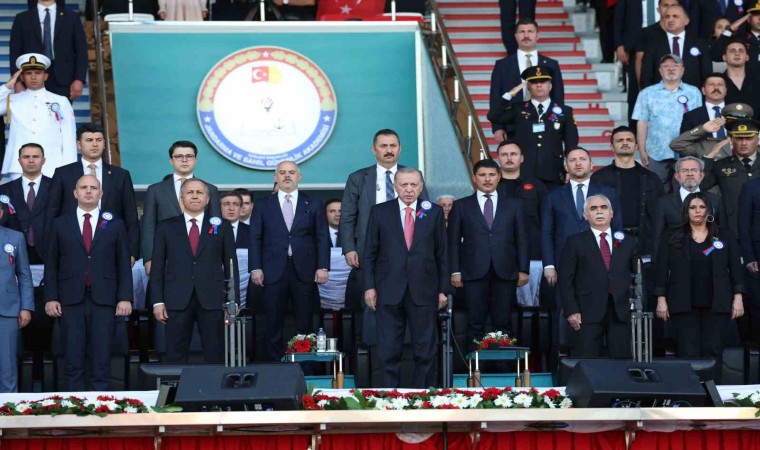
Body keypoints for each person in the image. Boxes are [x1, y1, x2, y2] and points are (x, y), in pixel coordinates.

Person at [363, 167, 449, 388]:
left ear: (421, 187)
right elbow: (370, 252)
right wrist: (369, 287)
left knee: (425, 349)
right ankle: (390, 396)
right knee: (388, 349)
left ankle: (423, 396)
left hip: (424, 290)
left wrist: (443, 289)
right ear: (395, 186)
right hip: (388, 289)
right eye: (404, 185)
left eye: (413, 185)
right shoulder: (380, 212)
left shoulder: (434, 212)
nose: (409, 189)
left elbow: (442, 253)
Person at [44, 174, 132, 390]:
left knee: (101, 357)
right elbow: (51, 263)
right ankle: (75, 403)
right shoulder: (59, 223)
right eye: (84, 187)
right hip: (70, 299)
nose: (89, 191)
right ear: (75, 193)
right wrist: (51, 297)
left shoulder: (115, 224)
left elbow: (123, 263)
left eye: (93, 188)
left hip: (104, 299)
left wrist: (125, 298)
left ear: (101, 194)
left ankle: (101, 403)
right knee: (72, 356)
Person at [339, 129, 428, 338]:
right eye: (383, 146)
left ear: (400, 149)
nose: (389, 150)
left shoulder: (413, 176)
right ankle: (373, 350)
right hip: (368, 251)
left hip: (407, 251)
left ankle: (404, 348)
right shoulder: (358, 178)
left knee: (406, 302)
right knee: (371, 304)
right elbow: (348, 216)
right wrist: (349, 248)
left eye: (393, 146)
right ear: (374, 150)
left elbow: (425, 212)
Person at [249, 161, 330, 362]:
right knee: (272, 322)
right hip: (272, 271)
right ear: (275, 177)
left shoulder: (313, 203)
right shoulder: (262, 204)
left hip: (304, 270)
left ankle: (304, 367)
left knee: (305, 322)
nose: (287, 176)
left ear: (299, 177)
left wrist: (322, 266)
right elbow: (255, 238)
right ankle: (274, 368)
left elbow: (321, 237)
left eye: (292, 172)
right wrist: (255, 267)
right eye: (282, 172)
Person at [151, 178, 238, 364]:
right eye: (190, 192)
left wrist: (232, 301)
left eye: (199, 192)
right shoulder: (166, 226)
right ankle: (175, 384)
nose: (195, 196)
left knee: (215, 352)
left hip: (212, 299)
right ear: (181, 198)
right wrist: (157, 301)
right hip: (176, 298)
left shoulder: (222, 226)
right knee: (175, 353)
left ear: (207, 199)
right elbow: (157, 267)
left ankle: (214, 384)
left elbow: (232, 266)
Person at [448, 160, 529, 351]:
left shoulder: (514, 205)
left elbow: (522, 239)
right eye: (482, 175)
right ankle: (475, 366)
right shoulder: (461, 205)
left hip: (505, 271)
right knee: (475, 322)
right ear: (474, 178)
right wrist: (455, 271)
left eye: (492, 175)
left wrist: (523, 269)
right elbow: (452, 242)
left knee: (503, 322)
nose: (487, 179)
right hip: (473, 272)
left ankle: (504, 366)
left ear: (499, 177)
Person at [654, 192, 744, 364]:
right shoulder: (672, 236)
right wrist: (661, 299)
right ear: (686, 211)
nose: (698, 211)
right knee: (687, 352)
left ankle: (713, 383)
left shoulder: (724, 235)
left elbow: (735, 268)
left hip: (717, 304)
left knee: (714, 351)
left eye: (702, 207)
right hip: (683, 304)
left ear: (709, 210)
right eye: (693, 207)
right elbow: (661, 270)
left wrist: (738, 298)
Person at [46, 123, 139, 263]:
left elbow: (131, 216)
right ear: (79, 144)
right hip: (71, 246)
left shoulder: (120, 175)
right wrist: (51, 250)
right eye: (89, 140)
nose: (95, 144)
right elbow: (52, 213)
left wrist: (131, 252)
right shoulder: (63, 173)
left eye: (99, 140)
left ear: (104, 144)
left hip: (111, 247)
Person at [559, 194, 638, 358]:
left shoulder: (628, 241)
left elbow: (638, 275)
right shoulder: (575, 242)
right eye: (593, 208)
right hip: (586, 312)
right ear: (585, 215)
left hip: (620, 311)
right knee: (586, 361)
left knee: (621, 361)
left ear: (612, 213)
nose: (599, 211)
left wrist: (637, 307)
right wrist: (571, 310)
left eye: (604, 207)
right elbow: (565, 280)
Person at [488, 66, 579, 190]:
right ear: (528, 87)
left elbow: (571, 143)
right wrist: (510, 94)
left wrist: (570, 168)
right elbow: (493, 115)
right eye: (534, 82)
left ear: (550, 86)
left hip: (552, 171)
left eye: (543, 81)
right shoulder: (518, 109)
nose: (539, 85)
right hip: (523, 171)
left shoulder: (565, 111)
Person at [140, 141, 221, 276]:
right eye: (179, 156)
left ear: (195, 160)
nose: (184, 160)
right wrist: (149, 259)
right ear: (171, 161)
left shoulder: (210, 189)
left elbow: (215, 225)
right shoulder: (155, 190)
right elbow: (149, 227)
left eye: (189, 156)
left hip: (202, 258)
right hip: (165, 258)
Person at [0, 54, 76, 181]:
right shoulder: (12, 100)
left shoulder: (60, 101)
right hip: (20, 165)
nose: (33, 77)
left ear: (45, 76)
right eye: (28, 73)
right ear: (22, 77)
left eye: (38, 73)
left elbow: (68, 137)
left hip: (52, 164)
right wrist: (7, 86)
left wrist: (68, 168)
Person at [632, 53, 702, 191]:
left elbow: (699, 123)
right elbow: (642, 123)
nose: (671, 69)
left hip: (686, 152)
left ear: (683, 70)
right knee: (656, 191)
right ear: (660, 70)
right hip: (656, 152)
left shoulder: (694, 92)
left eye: (675, 65)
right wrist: (642, 151)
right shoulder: (647, 93)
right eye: (666, 66)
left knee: (685, 192)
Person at [592, 126, 664, 258]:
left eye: (629, 140)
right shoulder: (599, 178)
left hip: (646, 242)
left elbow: (661, 213)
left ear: (636, 146)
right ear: (612, 147)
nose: (625, 143)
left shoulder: (652, 179)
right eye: (620, 140)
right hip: (611, 242)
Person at [489, 18, 565, 142]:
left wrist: (557, 125)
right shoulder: (502, 65)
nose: (526, 35)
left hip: (546, 126)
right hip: (512, 126)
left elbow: (558, 97)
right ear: (515, 36)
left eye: (530, 31)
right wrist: (497, 127)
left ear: (537, 35)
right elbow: (495, 98)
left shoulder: (551, 65)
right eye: (522, 32)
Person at [496, 140, 548, 306]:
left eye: (513, 154)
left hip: (533, 255)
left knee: (533, 306)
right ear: (498, 158)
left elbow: (546, 221)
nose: (509, 158)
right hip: (499, 256)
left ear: (522, 158)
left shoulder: (537, 186)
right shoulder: (491, 187)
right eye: (504, 154)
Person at [653, 156, 728, 262]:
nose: (690, 174)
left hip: (709, 260)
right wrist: (656, 264)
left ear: (701, 175)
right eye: (684, 170)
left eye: (694, 170)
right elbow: (658, 237)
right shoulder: (664, 203)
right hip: (676, 261)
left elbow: (723, 233)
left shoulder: (715, 200)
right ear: (677, 176)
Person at [9, 0, 87, 100]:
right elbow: (15, 51)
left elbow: (81, 50)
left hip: (64, 79)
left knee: (60, 110)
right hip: (31, 78)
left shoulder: (72, 17)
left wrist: (79, 79)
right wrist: (17, 81)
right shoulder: (22, 18)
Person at [0, 206, 33, 392]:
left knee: (8, 365)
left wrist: (26, 307)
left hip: (7, 309)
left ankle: (7, 406)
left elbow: (24, 275)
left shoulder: (15, 237)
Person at [0, 143, 50, 264]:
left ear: (43, 160)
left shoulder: (56, 187)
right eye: (26, 157)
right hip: (12, 255)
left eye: (35, 157)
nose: (31, 160)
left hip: (49, 254)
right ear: (19, 161)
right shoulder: (4, 190)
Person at [640, 5, 712, 89]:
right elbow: (646, 75)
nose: (670, 20)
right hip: (660, 94)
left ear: (686, 21)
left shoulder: (700, 43)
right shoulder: (653, 43)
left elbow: (707, 73)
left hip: (693, 94)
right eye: (667, 17)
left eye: (675, 16)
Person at [320, 198, 351, 311]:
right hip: (321, 286)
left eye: (340, 211)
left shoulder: (355, 235)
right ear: (324, 214)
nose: (337, 214)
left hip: (350, 288)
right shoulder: (315, 235)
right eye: (332, 211)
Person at [722, 39, 760, 119]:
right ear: (724, 57)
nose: (737, 54)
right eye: (732, 51)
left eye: (741, 51)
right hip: (726, 126)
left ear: (747, 57)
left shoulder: (757, 80)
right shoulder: (718, 83)